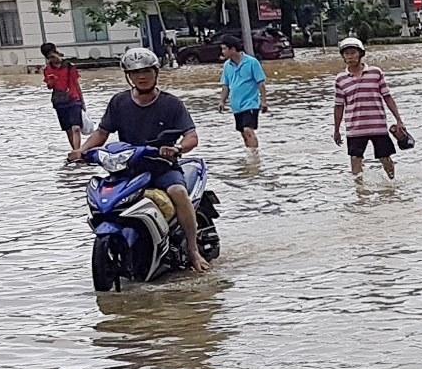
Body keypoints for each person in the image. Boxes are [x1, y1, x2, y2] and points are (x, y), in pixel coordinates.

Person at [74, 46, 207, 272]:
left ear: (156, 72)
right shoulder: (119, 102)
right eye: (135, 73)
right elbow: (102, 133)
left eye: (146, 71)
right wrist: (82, 150)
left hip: (162, 167)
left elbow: (191, 137)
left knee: (178, 192)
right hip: (128, 168)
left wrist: (176, 149)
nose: (142, 76)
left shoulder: (171, 104)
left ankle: (193, 251)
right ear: (128, 76)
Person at [332, 37, 409, 181]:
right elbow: (339, 106)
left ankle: (392, 186)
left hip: (378, 126)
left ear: (360, 54)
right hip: (355, 128)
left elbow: (387, 97)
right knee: (355, 159)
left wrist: (399, 120)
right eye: (346, 53)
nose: (350, 56)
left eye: (353, 53)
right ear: (343, 56)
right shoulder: (340, 79)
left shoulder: (375, 73)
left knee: (385, 158)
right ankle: (360, 193)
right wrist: (336, 130)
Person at [219, 33, 267, 155]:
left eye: (224, 48)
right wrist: (222, 101)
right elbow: (226, 86)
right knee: (243, 133)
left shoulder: (252, 62)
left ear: (233, 49)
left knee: (248, 130)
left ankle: (255, 157)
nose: (222, 52)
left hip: (250, 104)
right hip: (236, 106)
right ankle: (250, 155)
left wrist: (264, 101)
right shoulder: (227, 66)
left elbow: (261, 83)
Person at [41, 42, 84, 159]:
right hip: (60, 102)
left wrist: (82, 102)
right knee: (68, 130)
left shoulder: (69, 66)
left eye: (52, 56)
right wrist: (51, 81)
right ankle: (75, 151)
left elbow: (76, 84)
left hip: (74, 99)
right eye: (48, 57)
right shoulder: (47, 69)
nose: (52, 59)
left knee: (76, 128)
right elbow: (50, 87)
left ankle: (77, 151)